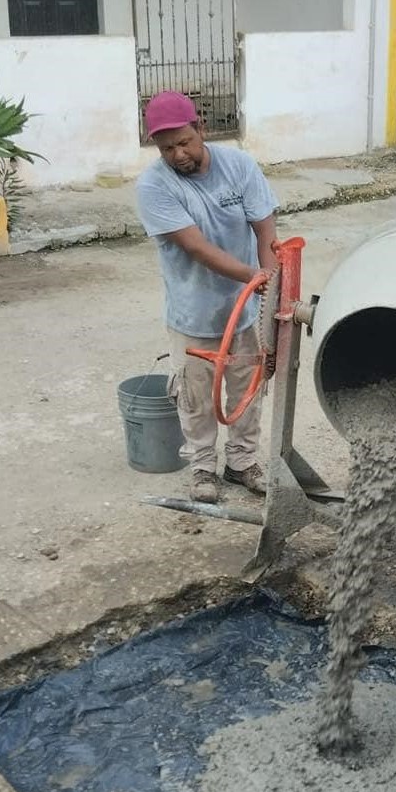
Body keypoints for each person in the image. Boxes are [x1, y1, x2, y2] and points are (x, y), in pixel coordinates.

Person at [136, 91, 278, 504]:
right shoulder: (153, 187)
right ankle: (203, 468)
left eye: (184, 142)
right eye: (166, 149)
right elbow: (196, 247)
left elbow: (265, 228)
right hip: (192, 313)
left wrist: (268, 280)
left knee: (248, 387)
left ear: (202, 128)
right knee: (196, 396)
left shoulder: (239, 166)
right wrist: (257, 276)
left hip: (246, 310)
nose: (178, 154)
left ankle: (241, 462)